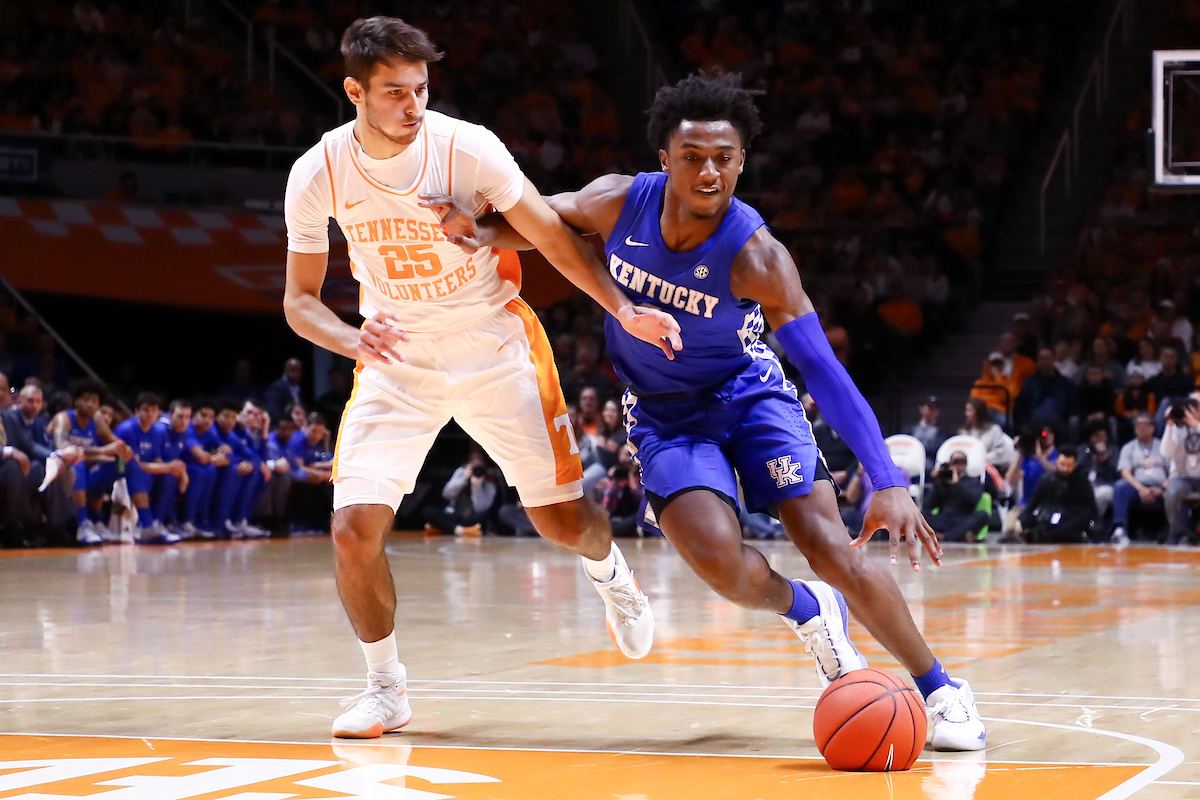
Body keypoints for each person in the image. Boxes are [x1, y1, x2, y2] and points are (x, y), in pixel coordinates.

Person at [455, 72, 984, 750]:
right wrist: (474, 229)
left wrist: (886, 479)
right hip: (664, 413)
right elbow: (535, 219)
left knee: (829, 547)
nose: (710, 172)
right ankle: (807, 611)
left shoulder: (758, 257)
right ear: (665, 159)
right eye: (694, 156)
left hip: (749, 397)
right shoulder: (617, 202)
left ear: (742, 161)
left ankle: (941, 689)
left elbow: (822, 369)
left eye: (725, 158)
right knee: (718, 562)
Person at [280, 15, 680, 739]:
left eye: (421, 88)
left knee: (562, 522)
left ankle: (612, 571)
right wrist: (350, 338)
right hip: (396, 356)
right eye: (394, 91)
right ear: (353, 92)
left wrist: (624, 309)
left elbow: (554, 236)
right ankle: (386, 689)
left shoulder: (465, 148)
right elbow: (299, 302)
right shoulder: (319, 172)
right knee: (350, 530)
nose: (412, 105)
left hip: (494, 342)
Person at [46, 380, 133, 545]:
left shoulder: (97, 420)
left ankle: (101, 520)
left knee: (123, 465)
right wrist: (104, 451)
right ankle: (83, 523)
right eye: (86, 400)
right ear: (75, 401)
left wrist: (125, 451)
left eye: (95, 401)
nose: (91, 405)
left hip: (81, 471)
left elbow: (116, 444)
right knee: (77, 461)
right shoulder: (64, 419)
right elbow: (64, 450)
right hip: (54, 469)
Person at [109, 392, 187, 544]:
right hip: (119, 468)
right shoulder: (126, 430)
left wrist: (175, 470)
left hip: (145, 471)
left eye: (154, 410)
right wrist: (167, 467)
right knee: (139, 473)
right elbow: (130, 463)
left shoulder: (158, 431)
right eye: (146, 410)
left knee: (168, 478)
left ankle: (155, 524)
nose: (150, 414)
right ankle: (145, 524)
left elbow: (157, 459)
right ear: (137, 412)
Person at [1016, 446, 1095, 543]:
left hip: (1071, 520)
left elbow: (1092, 508)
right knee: (1028, 520)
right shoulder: (1046, 479)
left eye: (1069, 465)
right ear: (1057, 462)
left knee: (1085, 514)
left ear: (1075, 464)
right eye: (1062, 464)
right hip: (1050, 516)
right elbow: (1033, 503)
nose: (1065, 469)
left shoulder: (1082, 482)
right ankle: (1046, 535)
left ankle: (1050, 536)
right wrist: (1020, 519)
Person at [1111, 413, 1168, 545]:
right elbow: (1125, 472)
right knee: (1120, 486)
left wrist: (1162, 488)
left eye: (1144, 424)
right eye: (1138, 425)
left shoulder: (1164, 446)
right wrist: (1141, 489)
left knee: (1177, 488)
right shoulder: (1128, 447)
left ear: (1152, 428)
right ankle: (1119, 529)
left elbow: (1172, 472)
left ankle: (1177, 532)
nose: (1141, 428)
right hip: (1137, 487)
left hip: (1161, 488)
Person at [424, 449, 499, 536]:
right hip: (453, 515)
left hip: (471, 518)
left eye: (479, 460)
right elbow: (446, 494)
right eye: (473, 460)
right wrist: (463, 479)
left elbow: (480, 509)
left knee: (483, 516)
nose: (476, 463)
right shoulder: (461, 472)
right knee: (428, 511)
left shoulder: (489, 482)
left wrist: (477, 486)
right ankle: (458, 529)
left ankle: (448, 528)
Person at [1159, 398, 1200, 545]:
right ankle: (1177, 531)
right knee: (1172, 492)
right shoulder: (1177, 427)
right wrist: (1169, 425)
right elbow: (1166, 453)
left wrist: (1196, 425)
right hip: (1182, 477)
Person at [925, 451, 988, 543]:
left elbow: (973, 500)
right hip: (944, 518)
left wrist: (956, 484)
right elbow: (929, 505)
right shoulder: (943, 482)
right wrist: (937, 484)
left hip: (963, 518)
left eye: (961, 461)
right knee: (922, 513)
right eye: (955, 462)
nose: (958, 465)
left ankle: (946, 536)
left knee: (983, 515)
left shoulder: (973, 481)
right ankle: (959, 536)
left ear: (966, 464)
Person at [1014, 348, 1073, 428]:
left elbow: (1070, 406)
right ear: (1038, 361)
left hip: (1058, 422)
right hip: (1034, 422)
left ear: (1053, 359)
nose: (1045, 361)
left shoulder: (1065, 383)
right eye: (1042, 359)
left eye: (1048, 358)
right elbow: (1022, 406)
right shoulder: (1030, 382)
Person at [1077, 423, 1118, 525]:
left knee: (1102, 495)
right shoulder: (1083, 450)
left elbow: (1117, 471)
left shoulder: (1112, 450)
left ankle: (1092, 522)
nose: (1100, 439)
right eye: (1097, 436)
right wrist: (1089, 456)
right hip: (1084, 484)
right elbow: (1076, 467)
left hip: (1104, 484)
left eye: (1103, 436)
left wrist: (1105, 457)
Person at [959, 398, 1015, 472]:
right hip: (968, 469)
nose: (967, 413)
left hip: (991, 469)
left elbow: (999, 454)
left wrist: (979, 459)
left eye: (970, 410)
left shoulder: (995, 430)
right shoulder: (964, 432)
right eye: (966, 410)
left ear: (979, 412)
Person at [909, 395, 945, 471]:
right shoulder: (910, 429)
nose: (933, 411)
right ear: (921, 408)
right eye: (930, 408)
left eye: (936, 409)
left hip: (930, 467)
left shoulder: (943, 431)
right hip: (911, 464)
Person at [265, 358, 306, 425]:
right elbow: (274, 413)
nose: (296, 374)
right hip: (284, 428)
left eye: (299, 371)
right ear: (285, 370)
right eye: (293, 370)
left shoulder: (300, 388)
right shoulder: (276, 388)